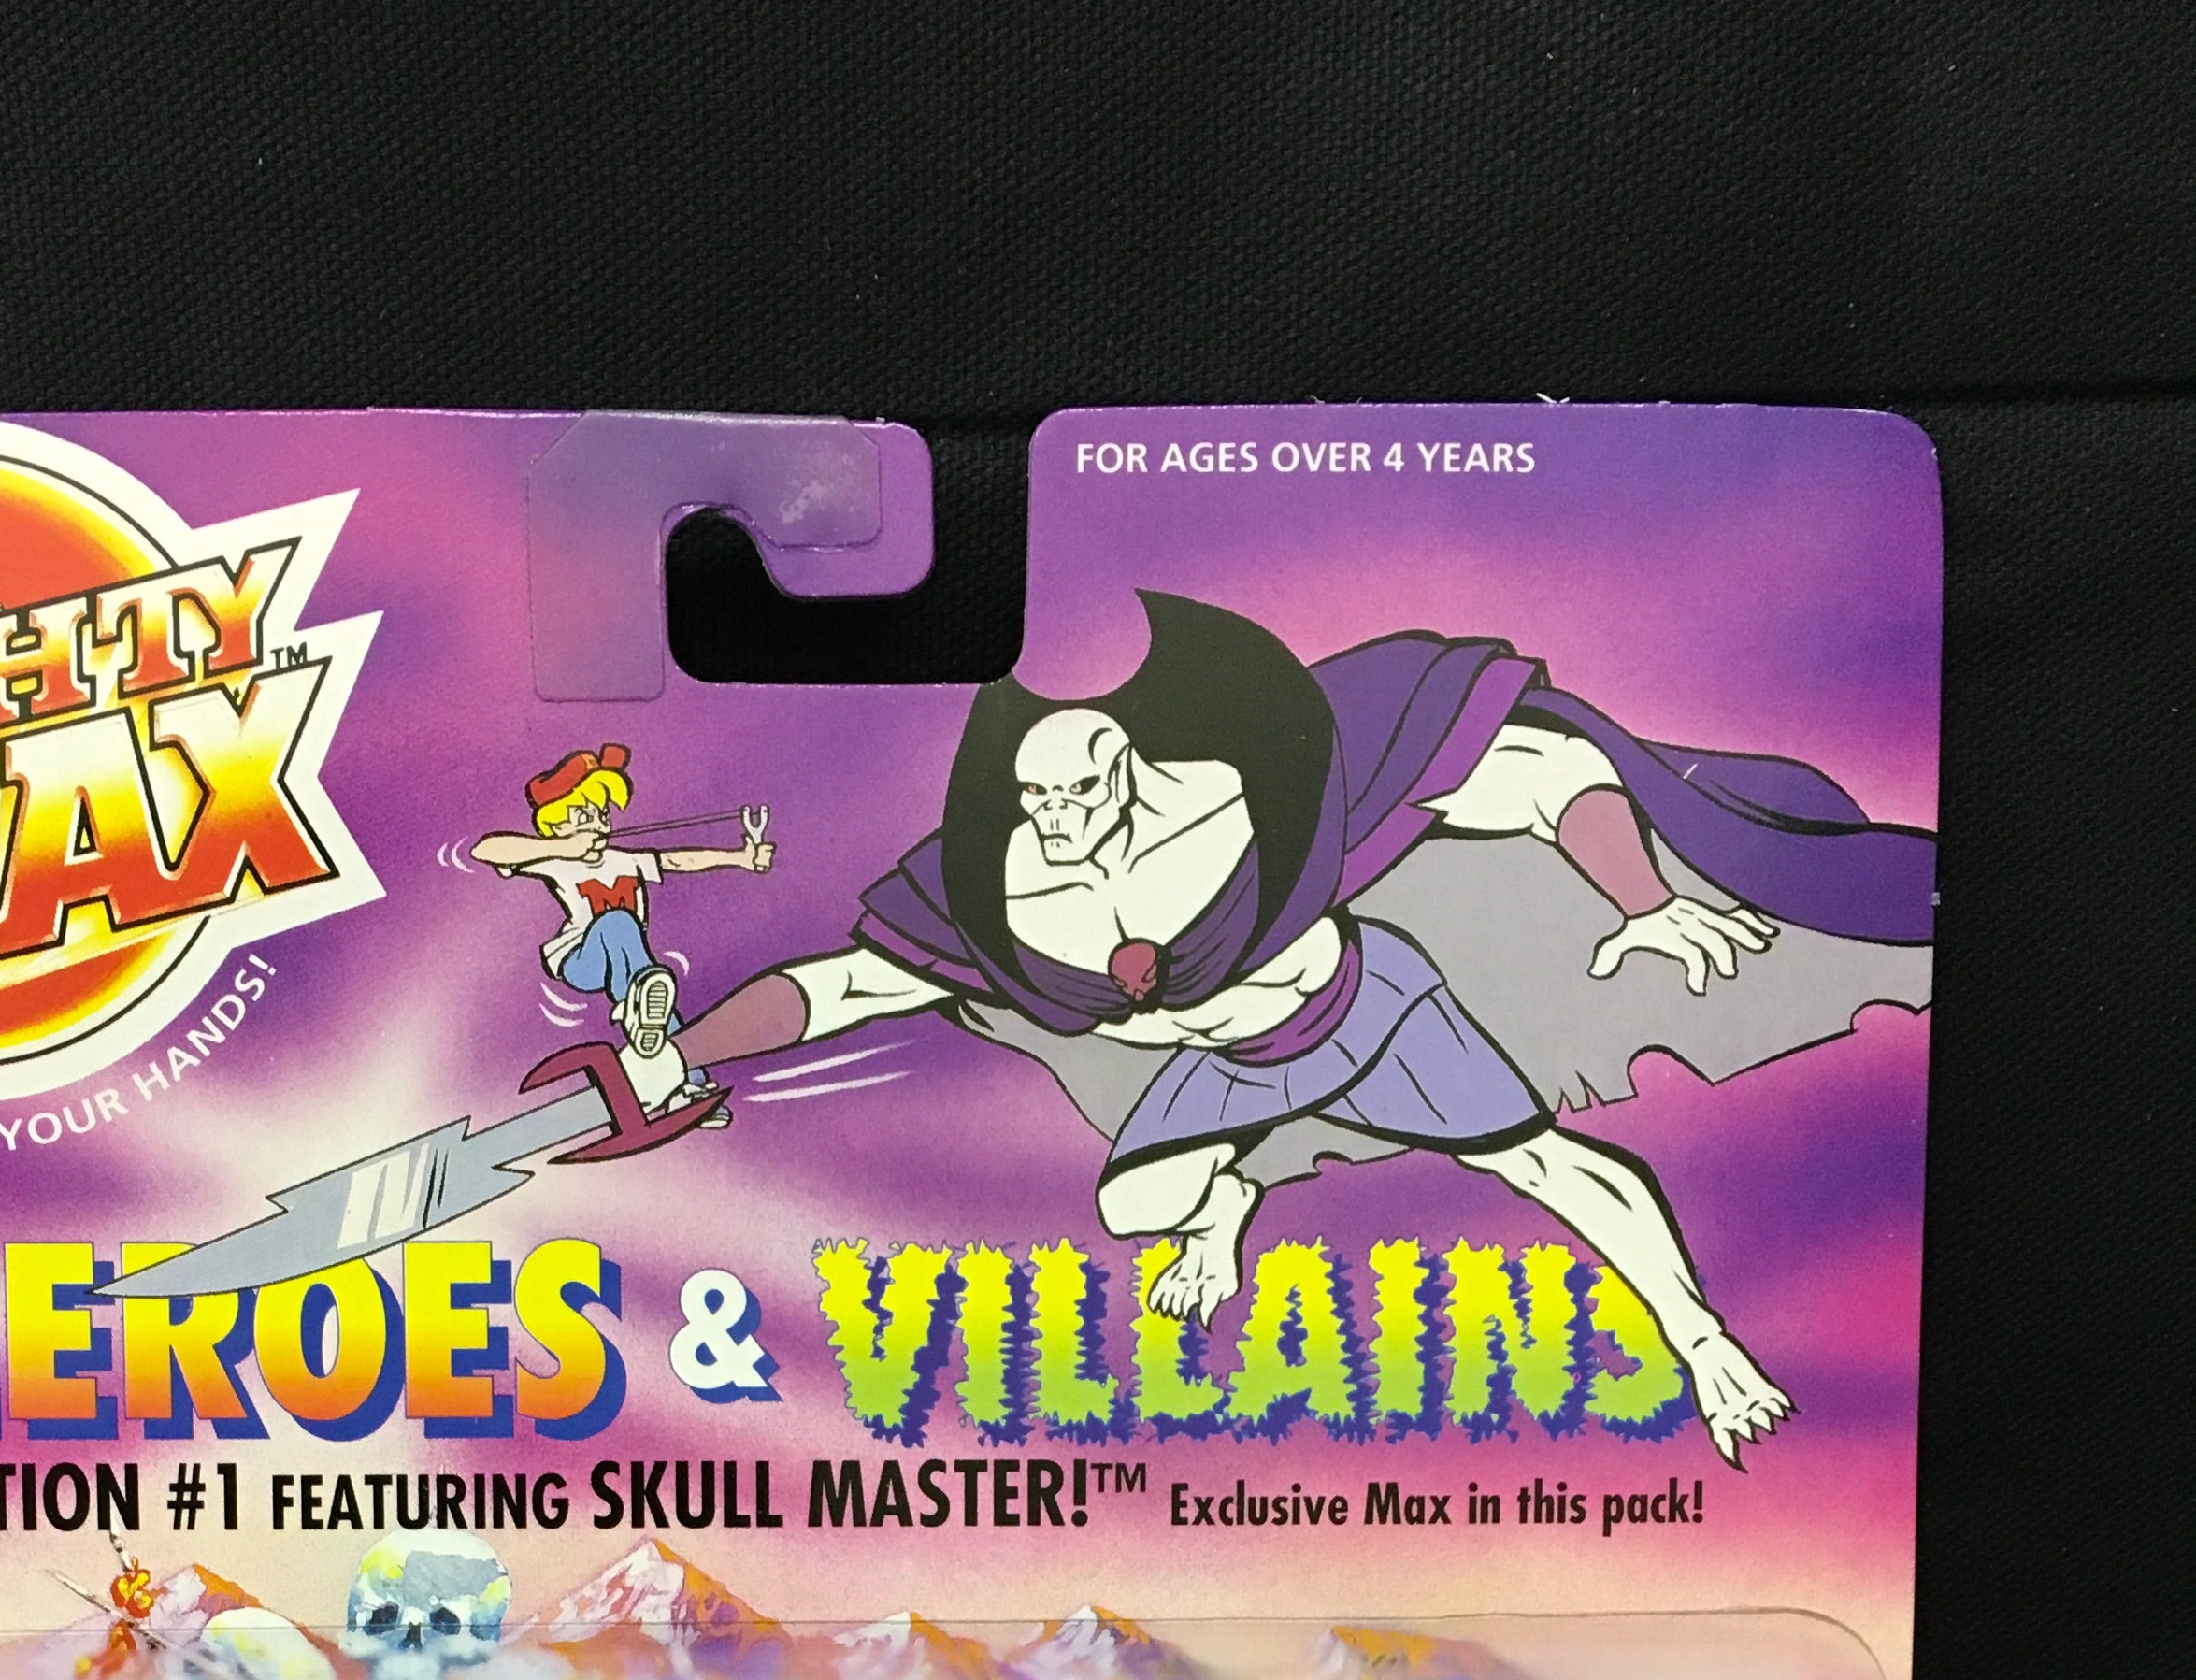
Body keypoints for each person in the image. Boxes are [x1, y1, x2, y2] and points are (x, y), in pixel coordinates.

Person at [671, 595, 1935, 1461]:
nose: (1053, 820)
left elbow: (1534, 772)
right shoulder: (1003, 887)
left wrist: (1644, 899)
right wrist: (681, 1056)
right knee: (1136, 1206)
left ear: (1126, 765)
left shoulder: (1251, 803)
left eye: (1078, 790)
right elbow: (840, 987)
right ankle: (1224, 1201)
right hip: (1230, 1069)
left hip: (1372, 1017)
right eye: (1032, 797)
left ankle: (1706, 1346)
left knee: (1545, 1166)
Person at [472, 746, 772, 1113]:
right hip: (582, 962)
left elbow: (678, 859)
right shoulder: (555, 861)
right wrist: (563, 848)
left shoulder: (624, 861)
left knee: (657, 1000)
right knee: (618, 925)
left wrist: (741, 857)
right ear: (556, 823)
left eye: (601, 815)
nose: (598, 825)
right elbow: (487, 849)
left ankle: (689, 1088)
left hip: (633, 970)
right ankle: (635, 1008)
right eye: (583, 816)